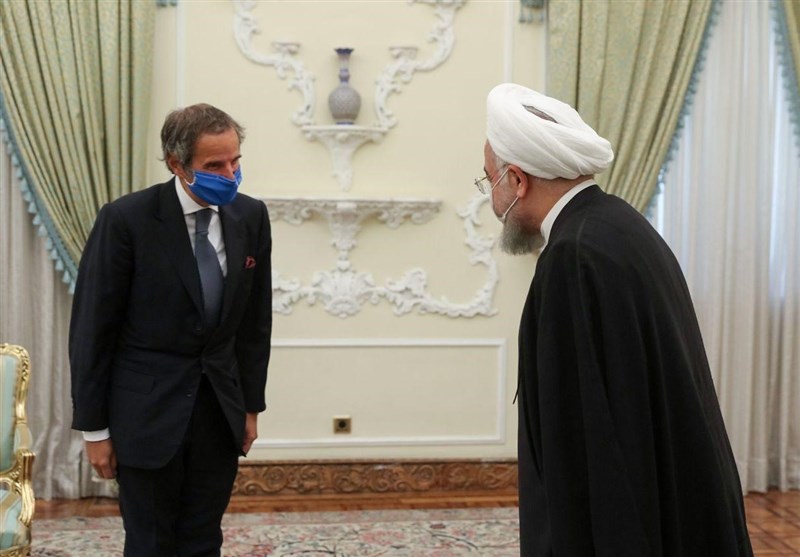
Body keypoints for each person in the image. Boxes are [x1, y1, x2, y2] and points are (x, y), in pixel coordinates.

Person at [479, 83, 753, 556]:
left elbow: (581, 439)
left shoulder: (573, 256)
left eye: (490, 182)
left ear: (517, 180)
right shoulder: (617, 223)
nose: (492, 202)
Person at [69, 103, 272, 557]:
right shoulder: (126, 219)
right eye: (215, 166)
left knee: (203, 540)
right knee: (151, 543)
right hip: (145, 415)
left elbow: (255, 324)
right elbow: (92, 330)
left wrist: (250, 407)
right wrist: (94, 430)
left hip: (218, 412)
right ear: (177, 165)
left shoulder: (251, 216)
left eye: (235, 161)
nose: (231, 174)